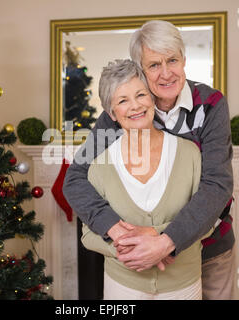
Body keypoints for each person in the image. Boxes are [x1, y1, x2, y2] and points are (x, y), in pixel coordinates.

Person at [63, 20, 234, 300]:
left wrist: (166, 242)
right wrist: (116, 230)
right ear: (140, 70)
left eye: (172, 61)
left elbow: (216, 185)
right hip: (135, 257)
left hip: (211, 247)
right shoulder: (121, 113)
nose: (166, 73)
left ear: (184, 60)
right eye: (154, 65)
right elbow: (75, 178)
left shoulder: (211, 104)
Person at [81, 58, 207, 299]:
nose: (135, 106)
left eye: (140, 95)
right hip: (122, 284)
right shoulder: (99, 164)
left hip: (183, 284)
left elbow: (208, 219)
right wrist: (133, 253)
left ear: (152, 99)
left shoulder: (189, 153)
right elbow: (88, 234)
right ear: (112, 113)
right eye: (122, 100)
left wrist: (157, 240)